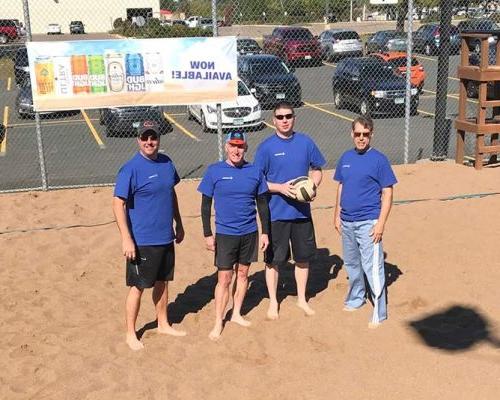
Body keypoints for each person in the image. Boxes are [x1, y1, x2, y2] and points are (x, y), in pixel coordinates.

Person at [113, 120, 186, 350]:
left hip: (165, 236)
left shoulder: (167, 163)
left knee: (163, 282)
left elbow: (171, 193)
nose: (149, 142)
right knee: (138, 286)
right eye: (145, 138)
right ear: (138, 140)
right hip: (142, 240)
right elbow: (118, 203)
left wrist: (179, 223)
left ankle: (163, 323)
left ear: (158, 139)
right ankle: (130, 333)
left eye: (153, 137)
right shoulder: (130, 169)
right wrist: (126, 238)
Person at [254, 102, 326, 319]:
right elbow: (258, 181)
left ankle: (302, 299)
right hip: (276, 214)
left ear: (294, 118)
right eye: (280, 117)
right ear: (273, 120)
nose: (284, 120)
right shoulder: (266, 148)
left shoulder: (305, 142)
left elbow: (317, 169)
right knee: (274, 261)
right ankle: (273, 302)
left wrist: (313, 186)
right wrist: (281, 188)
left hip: (301, 213)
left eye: (288, 116)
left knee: (303, 258)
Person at [198, 132, 270, 340]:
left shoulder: (254, 171)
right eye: (233, 146)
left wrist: (265, 232)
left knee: (243, 275)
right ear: (226, 147)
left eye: (240, 146)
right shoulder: (215, 171)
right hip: (225, 233)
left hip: (249, 232)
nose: (236, 150)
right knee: (224, 278)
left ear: (245, 148)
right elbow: (205, 206)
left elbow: (262, 205)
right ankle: (218, 321)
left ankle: (236, 312)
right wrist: (207, 234)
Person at [333, 115, 397, 328]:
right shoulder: (346, 158)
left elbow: (387, 193)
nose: (361, 138)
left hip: (369, 222)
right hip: (347, 221)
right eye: (358, 134)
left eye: (365, 135)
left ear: (371, 135)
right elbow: (341, 186)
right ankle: (356, 298)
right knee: (351, 263)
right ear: (352, 134)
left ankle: (379, 311)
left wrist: (381, 223)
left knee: (373, 266)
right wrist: (336, 213)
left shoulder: (379, 160)